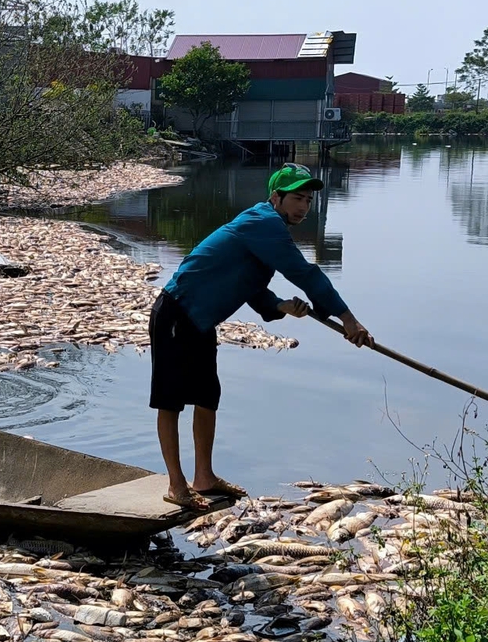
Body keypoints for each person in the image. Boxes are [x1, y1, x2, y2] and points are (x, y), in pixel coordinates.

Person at [150, 164, 372, 510]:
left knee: (207, 395)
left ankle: (204, 477)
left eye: (309, 201)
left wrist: (281, 305)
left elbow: (250, 283)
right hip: (177, 312)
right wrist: (349, 320)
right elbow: (305, 272)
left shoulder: (267, 227)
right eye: (297, 198)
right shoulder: (263, 223)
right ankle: (177, 485)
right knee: (171, 400)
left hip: (201, 321)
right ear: (275, 197)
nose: (303, 206)